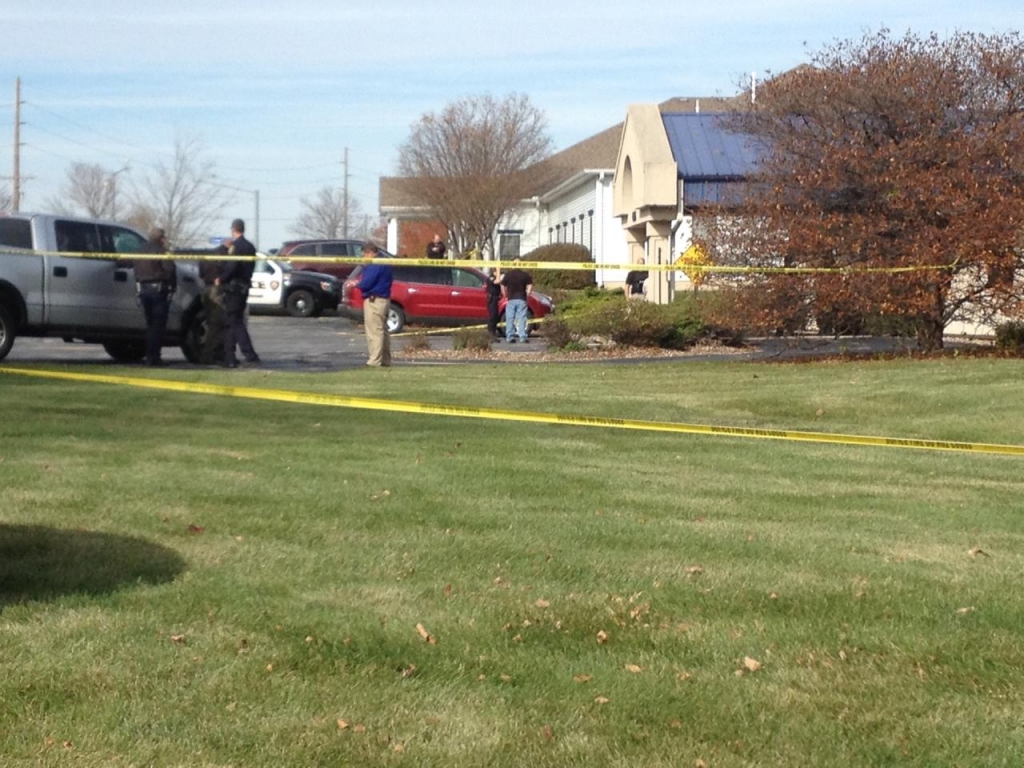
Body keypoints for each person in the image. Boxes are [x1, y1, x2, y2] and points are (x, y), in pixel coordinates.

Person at [215, 219, 260, 368]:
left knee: (234, 322)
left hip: (234, 288)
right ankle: (231, 355)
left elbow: (232, 266)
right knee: (234, 321)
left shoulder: (236, 247)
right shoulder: (250, 246)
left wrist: (221, 279)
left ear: (233, 230)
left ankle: (246, 354)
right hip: (244, 287)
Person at [132, 227, 176, 366]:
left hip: (144, 290)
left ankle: (150, 356)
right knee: (157, 326)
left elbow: (130, 264)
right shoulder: (162, 251)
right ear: (161, 238)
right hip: (158, 290)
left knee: (150, 324)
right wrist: (172, 287)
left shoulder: (139, 251)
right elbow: (170, 270)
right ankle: (153, 357)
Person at [356, 242, 393, 367]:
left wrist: (356, 284)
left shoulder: (375, 264)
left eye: (364, 255)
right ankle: (385, 360)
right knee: (383, 331)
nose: (364, 258)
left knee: (374, 331)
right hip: (384, 300)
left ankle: (374, 361)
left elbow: (367, 283)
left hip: (374, 300)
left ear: (370, 253)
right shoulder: (386, 262)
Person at [198, 244, 229, 365]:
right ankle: (209, 354)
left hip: (206, 289)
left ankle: (214, 353)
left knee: (211, 323)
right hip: (216, 291)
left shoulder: (207, 255)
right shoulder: (225, 257)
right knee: (218, 324)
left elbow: (201, 273)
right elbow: (227, 273)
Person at [500, 259, 533, 343]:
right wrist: (528, 293)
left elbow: (502, 285)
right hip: (522, 298)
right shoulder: (524, 275)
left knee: (510, 318)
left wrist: (505, 295)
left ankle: (510, 336)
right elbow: (530, 284)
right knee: (522, 318)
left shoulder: (508, 275)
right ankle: (522, 337)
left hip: (511, 299)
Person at [486, 266, 503, 340]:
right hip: (492, 299)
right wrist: (498, 270)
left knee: (495, 316)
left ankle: (493, 334)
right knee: (492, 317)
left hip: (496, 299)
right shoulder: (491, 278)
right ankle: (491, 334)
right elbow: (498, 281)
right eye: (497, 272)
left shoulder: (495, 277)